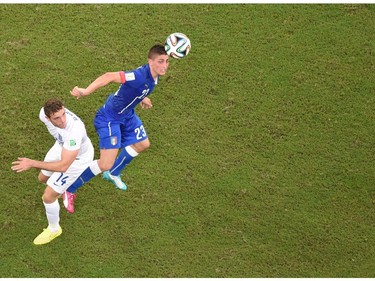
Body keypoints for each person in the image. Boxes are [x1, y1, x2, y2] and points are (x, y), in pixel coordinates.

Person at [64, 44, 169, 211]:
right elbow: (109, 76)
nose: (164, 66)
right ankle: (69, 189)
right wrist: (85, 91)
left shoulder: (154, 76)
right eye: (160, 61)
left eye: (167, 61)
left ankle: (112, 174)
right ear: (150, 61)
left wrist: (142, 98)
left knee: (143, 144)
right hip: (109, 119)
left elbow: (137, 89)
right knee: (105, 163)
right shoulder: (138, 76)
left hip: (127, 114)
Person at [11, 98, 94, 245]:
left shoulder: (74, 131)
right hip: (61, 146)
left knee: (48, 197)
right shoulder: (43, 115)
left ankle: (54, 229)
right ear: (48, 117)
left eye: (63, 114)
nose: (62, 120)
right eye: (57, 118)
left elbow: (63, 166)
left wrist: (32, 163)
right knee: (42, 179)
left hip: (77, 160)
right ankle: (62, 188)